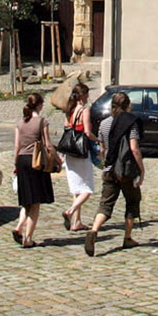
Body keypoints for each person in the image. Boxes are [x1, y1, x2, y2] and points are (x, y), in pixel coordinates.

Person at [84, 91, 144, 256]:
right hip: (125, 170)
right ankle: (127, 238)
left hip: (109, 169)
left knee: (106, 204)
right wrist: (141, 169)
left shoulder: (104, 124)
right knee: (132, 201)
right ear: (127, 105)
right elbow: (134, 148)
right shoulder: (130, 123)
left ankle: (94, 231)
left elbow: (103, 149)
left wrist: (105, 164)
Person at [12, 91, 57, 247]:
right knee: (35, 202)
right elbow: (48, 145)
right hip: (35, 161)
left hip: (22, 161)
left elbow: (17, 146)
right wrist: (58, 159)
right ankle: (28, 238)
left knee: (26, 201)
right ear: (38, 105)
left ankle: (18, 227)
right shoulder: (41, 122)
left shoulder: (20, 123)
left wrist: (15, 164)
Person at [58, 82, 96, 231]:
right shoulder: (83, 110)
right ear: (83, 96)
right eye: (87, 94)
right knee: (88, 188)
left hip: (69, 153)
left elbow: (67, 128)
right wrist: (97, 140)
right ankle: (70, 211)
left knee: (76, 189)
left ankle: (76, 222)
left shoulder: (69, 110)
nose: (88, 97)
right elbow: (87, 132)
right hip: (80, 151)